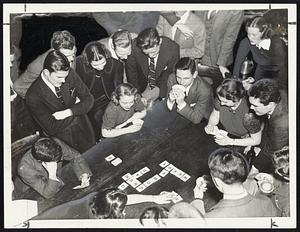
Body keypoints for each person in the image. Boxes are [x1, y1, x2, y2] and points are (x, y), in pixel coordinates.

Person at [25, 50, 95, 152]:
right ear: (46, 72)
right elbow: (51, 127)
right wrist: (79, 108)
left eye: (65, 77)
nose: (64, 80)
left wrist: (68, 112)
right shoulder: (33, 96)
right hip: (62, 140)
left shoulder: (68, 73)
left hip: (84, 126)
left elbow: (89, 99)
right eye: (59, 77)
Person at [192, 148, 279, 218]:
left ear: (217, 182)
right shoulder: (266, 202)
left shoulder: (213, 218)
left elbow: (198, 224)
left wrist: (198, 199)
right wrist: (208, 179)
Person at [16, 137, 92, 199]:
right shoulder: (24, 169)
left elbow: (75, 156)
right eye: (54, 161)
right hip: (31, 190)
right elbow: (47, 194)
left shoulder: (54, 144)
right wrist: (52, 174)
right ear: (40, 161)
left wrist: (83, 174)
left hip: (55, 180)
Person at [75, 41, 123, 137]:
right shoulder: (79, 63)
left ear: (106, 55)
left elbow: (118, 86)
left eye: (103, 63)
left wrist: (117, 100)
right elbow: (76, 83)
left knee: (113, 119)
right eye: (95, 65)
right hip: (90, 99)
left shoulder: (116, 64)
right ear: (88, 61)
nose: (100, 67)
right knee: (95, 121)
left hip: (109, 97)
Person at [32, 187, 173, 219]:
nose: (124, 211)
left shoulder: (96, 197)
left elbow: (122, 199)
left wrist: (154, 197)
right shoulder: (95, 221)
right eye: (121, 210)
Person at [13, 30, 77, 98]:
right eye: (66, 56)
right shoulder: (37, 66)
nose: (71, 59)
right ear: (55, 53)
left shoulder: (69, 51)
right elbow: (18, 87)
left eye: (72, 54)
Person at [193, 10, 244, 92]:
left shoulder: (236, 11)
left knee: (214, 91)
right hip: (197, 55)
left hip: (218, 57)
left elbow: (230, 38)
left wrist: (221, 64)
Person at [204, 79, 262, 151]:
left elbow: (256, 140)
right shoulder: (220, 100)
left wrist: (230, 141)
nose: (221, 103)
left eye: (225, 102)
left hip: (242, 139)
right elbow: (215, 115)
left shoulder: (249, 114)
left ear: (236, 99)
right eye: (220, 100)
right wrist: (210, 125)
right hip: (225, 133)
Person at [233, 16, 288, 90]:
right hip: (260, 73)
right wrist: (237, 82)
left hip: (278, 77)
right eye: (248, 34)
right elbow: (237, 64)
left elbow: (282, 72)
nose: (250, 38)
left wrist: (257, 87)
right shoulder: (246, 42)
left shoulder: (277, 44)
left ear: (263, 32)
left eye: (254, 35)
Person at [126, 27, 180, 101]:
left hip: (160, 83)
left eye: (154, 52)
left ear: (160, 42)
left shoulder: (173, 49)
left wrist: (162, 95)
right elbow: (132, 74)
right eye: (147, 53)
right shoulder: (134, 48)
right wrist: (137, 96)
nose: (151, 56)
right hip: (141, 82)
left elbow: (169, 73)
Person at [248, 79, 288, 173]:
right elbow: (270, 127)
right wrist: (261, 145)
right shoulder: (278, 94)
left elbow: (273, 151)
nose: (251, 108)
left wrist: (254, 168)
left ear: (270, 104)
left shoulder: (281, 125)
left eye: (255, 105)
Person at [166, 57, 214, 124]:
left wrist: (181, 103)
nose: (181, 82)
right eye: (179, 77)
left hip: (200, 119)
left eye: (186, 78)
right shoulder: (172, 78)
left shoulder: (205, 90)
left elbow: (196, 119)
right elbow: (169, 107)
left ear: (194, 75)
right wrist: (170, 101)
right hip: (178, 114)